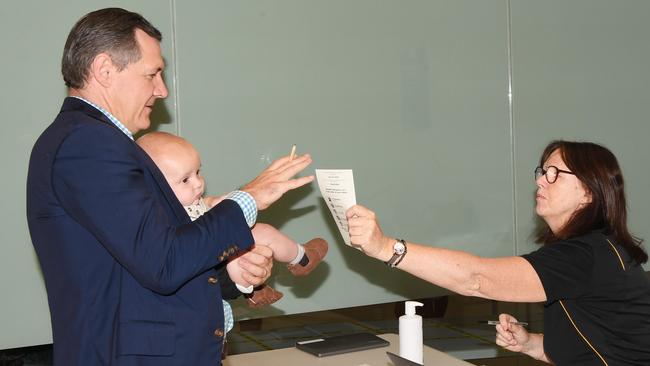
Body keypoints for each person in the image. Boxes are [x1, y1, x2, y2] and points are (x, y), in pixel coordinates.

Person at [26, 8, 313, 366]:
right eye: (153, 74)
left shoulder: (95, 142)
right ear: (104, 70)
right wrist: (248, 198)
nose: (162, 90)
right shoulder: (88, 144)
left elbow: (142, 264)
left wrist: (231, 277)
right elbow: (163, 263)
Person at [346, 140, 650, 365]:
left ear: (588, 192)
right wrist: (531, 344)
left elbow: (477, 279)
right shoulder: (595, 249)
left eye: (555, 173)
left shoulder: (586, 255)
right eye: (543, 171)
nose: (540, 180)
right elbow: (601, 344)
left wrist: (386, 247)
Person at [136, 131, 329, 310]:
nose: (198, 183)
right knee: (242, 255)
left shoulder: (190, 200)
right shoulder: (159, 220)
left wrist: (221, 202)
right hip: (218, 270)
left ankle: (302, 258)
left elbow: (208, 205)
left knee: (263, 232)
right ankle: (257, 288)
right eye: (185, 180)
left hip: (220, 275)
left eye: (198, 172)